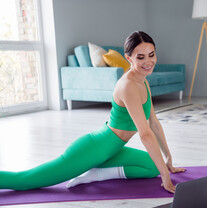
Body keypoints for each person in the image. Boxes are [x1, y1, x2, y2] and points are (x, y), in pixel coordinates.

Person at [0, 31, 185, 193]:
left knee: (153, 166)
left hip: (113, 150)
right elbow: (145, 134)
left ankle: (97, 174)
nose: (148, 62)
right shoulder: (128, 86)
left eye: (151, 55)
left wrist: (168, 160)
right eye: (140, 57)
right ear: (128, 58)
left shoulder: (143, 80)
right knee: (25, 181)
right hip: (94, 148)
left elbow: (153, 122)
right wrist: (165, 178)